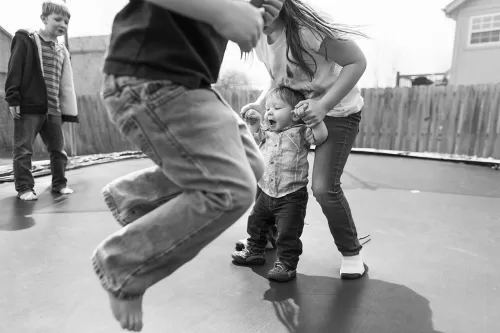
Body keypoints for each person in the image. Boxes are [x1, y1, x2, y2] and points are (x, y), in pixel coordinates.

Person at [90, 0, 284, 331]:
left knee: (252, 165)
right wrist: (225, 11)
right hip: (149, 78)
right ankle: (122, 264)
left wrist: (252, 9)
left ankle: (134, 199)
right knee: (231, 190)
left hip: (189, 81)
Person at [240, 0, 368, 279]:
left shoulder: (307, 28)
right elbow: (280, 79)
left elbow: (356, 62)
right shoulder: (261, 35)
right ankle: (268, 236)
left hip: (336, 110)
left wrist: (322, 106)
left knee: (323, 187)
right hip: (296, 110)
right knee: (269, 170)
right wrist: (264, 104)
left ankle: (351, 251)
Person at [232, 86, 327, 282]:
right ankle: (255, 251)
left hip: (291, 195)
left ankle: (286, 265)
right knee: (256, 223)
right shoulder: (267, 132)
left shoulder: (301, 132)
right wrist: (254, 123)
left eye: (276, 108)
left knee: (288, 234)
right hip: (266, 192)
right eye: (267, 108)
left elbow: (320, 136)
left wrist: (314, 119)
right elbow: (253, 139)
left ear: (294, 114)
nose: (269, 112)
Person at [4, 0, 78, 201]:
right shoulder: (27, 39)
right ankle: (25, 188)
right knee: (24, 149)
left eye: (66, 21)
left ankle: (59, 184)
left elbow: (65, 84)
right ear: (44, 19)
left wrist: (66, 109)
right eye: (57, 19)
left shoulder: (62, 50)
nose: (63, 24)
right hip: (29, 107)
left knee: (58, 150)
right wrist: (13, 98)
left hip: (53, 109)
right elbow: (15, 68)